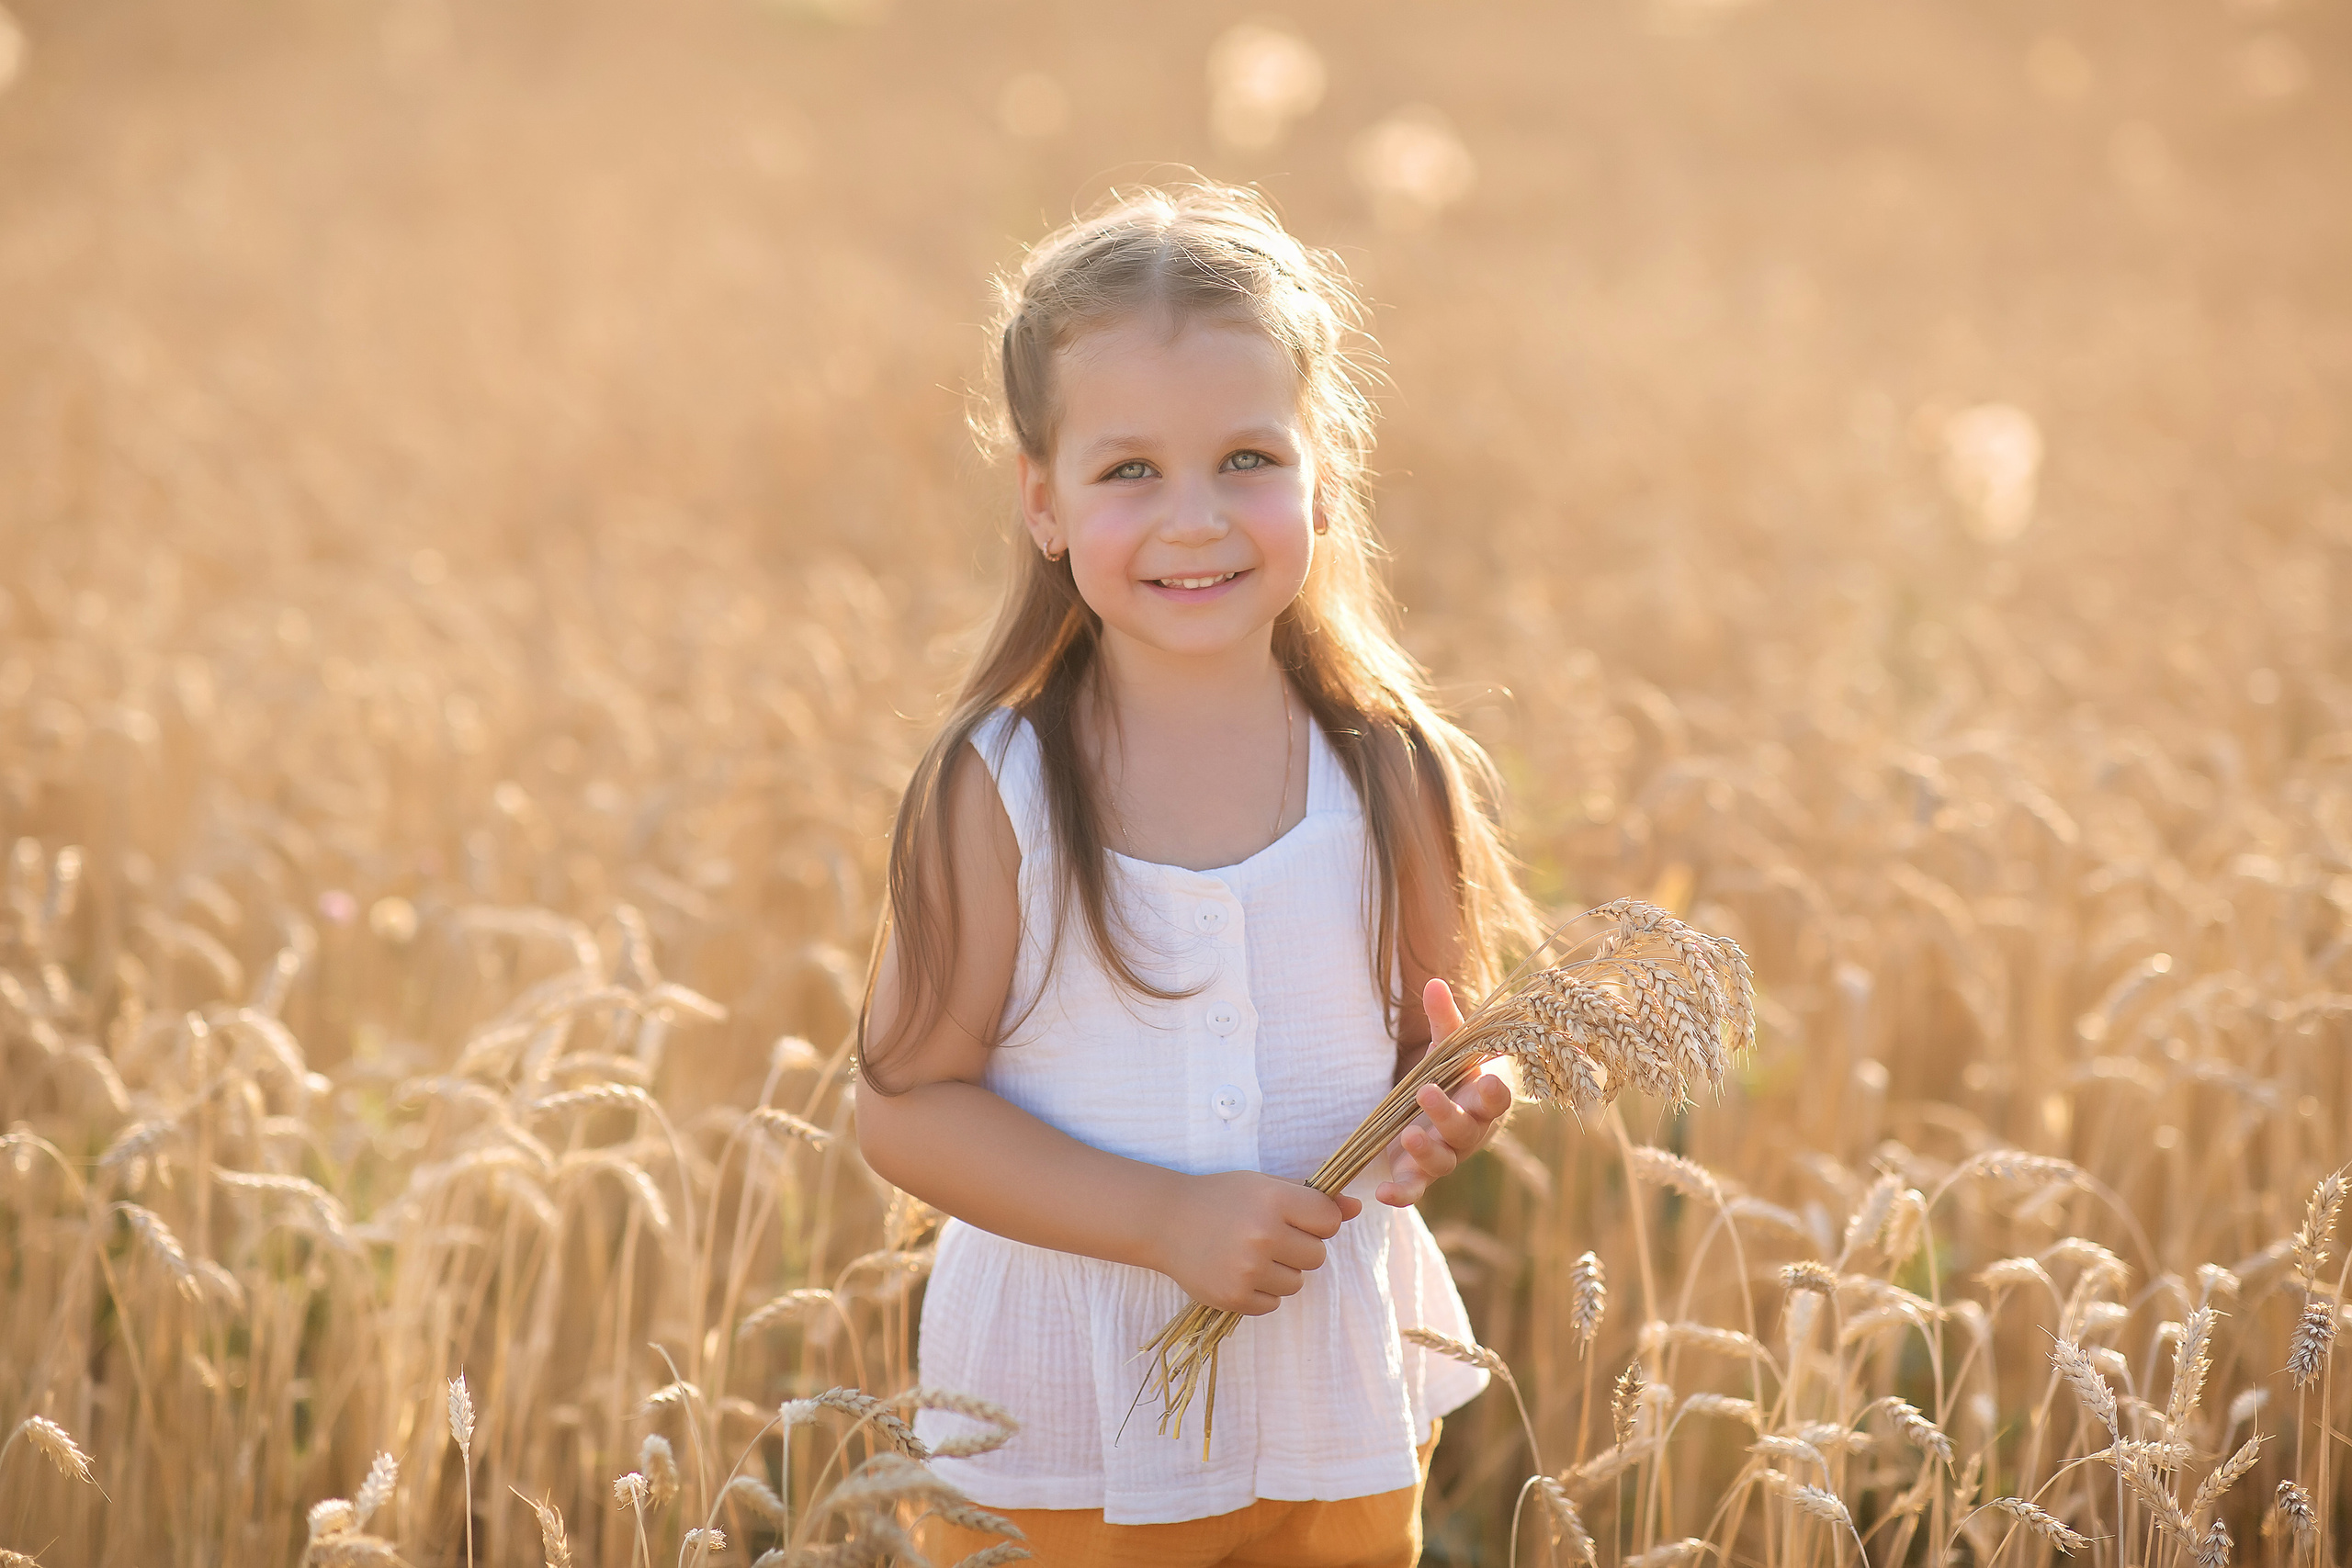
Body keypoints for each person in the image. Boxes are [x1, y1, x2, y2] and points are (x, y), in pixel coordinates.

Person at [854, 180, 1539, 1568]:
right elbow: (907, 1112)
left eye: (1245, 459)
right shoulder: (1000, 793)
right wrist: (1165, 1219)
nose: (1195, 519)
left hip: (1333, 1405)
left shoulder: (1392, 771)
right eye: (1129, 473)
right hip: (1063, 1432)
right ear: (1042, 503)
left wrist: (1459, 1110)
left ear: (1323, 475)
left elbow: (1440, 1049)